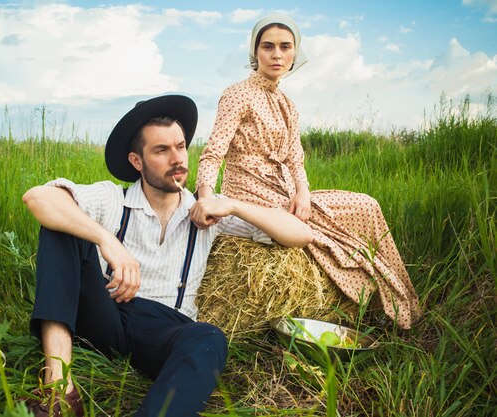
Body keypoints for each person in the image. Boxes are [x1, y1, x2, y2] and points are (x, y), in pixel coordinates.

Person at [22, 94, 313, 417]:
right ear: (137, 161)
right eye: (161, 150)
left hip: (162, 328)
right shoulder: (112, 198)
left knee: (209, 338)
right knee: (62, 226)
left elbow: (301, 234)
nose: (177, 159)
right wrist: (106, 240)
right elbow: (38, 198)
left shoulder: (207, 212)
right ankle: (59, 389)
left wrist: (233, 205)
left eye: (180, 146)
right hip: (104, 313)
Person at [194, 14, 420, 330]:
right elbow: (213, 152)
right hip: (251, 194)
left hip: (286, 191)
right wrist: (206, 198)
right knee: (328, 233)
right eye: (268, 46)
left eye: (285, 47)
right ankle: (380, 305)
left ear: (294, 53)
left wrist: (303, 193)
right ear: (255, 52)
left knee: (366, 205)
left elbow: (296, 160)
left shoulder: (287, 103)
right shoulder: (237, 93)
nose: (276, 54)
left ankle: (396, 303)